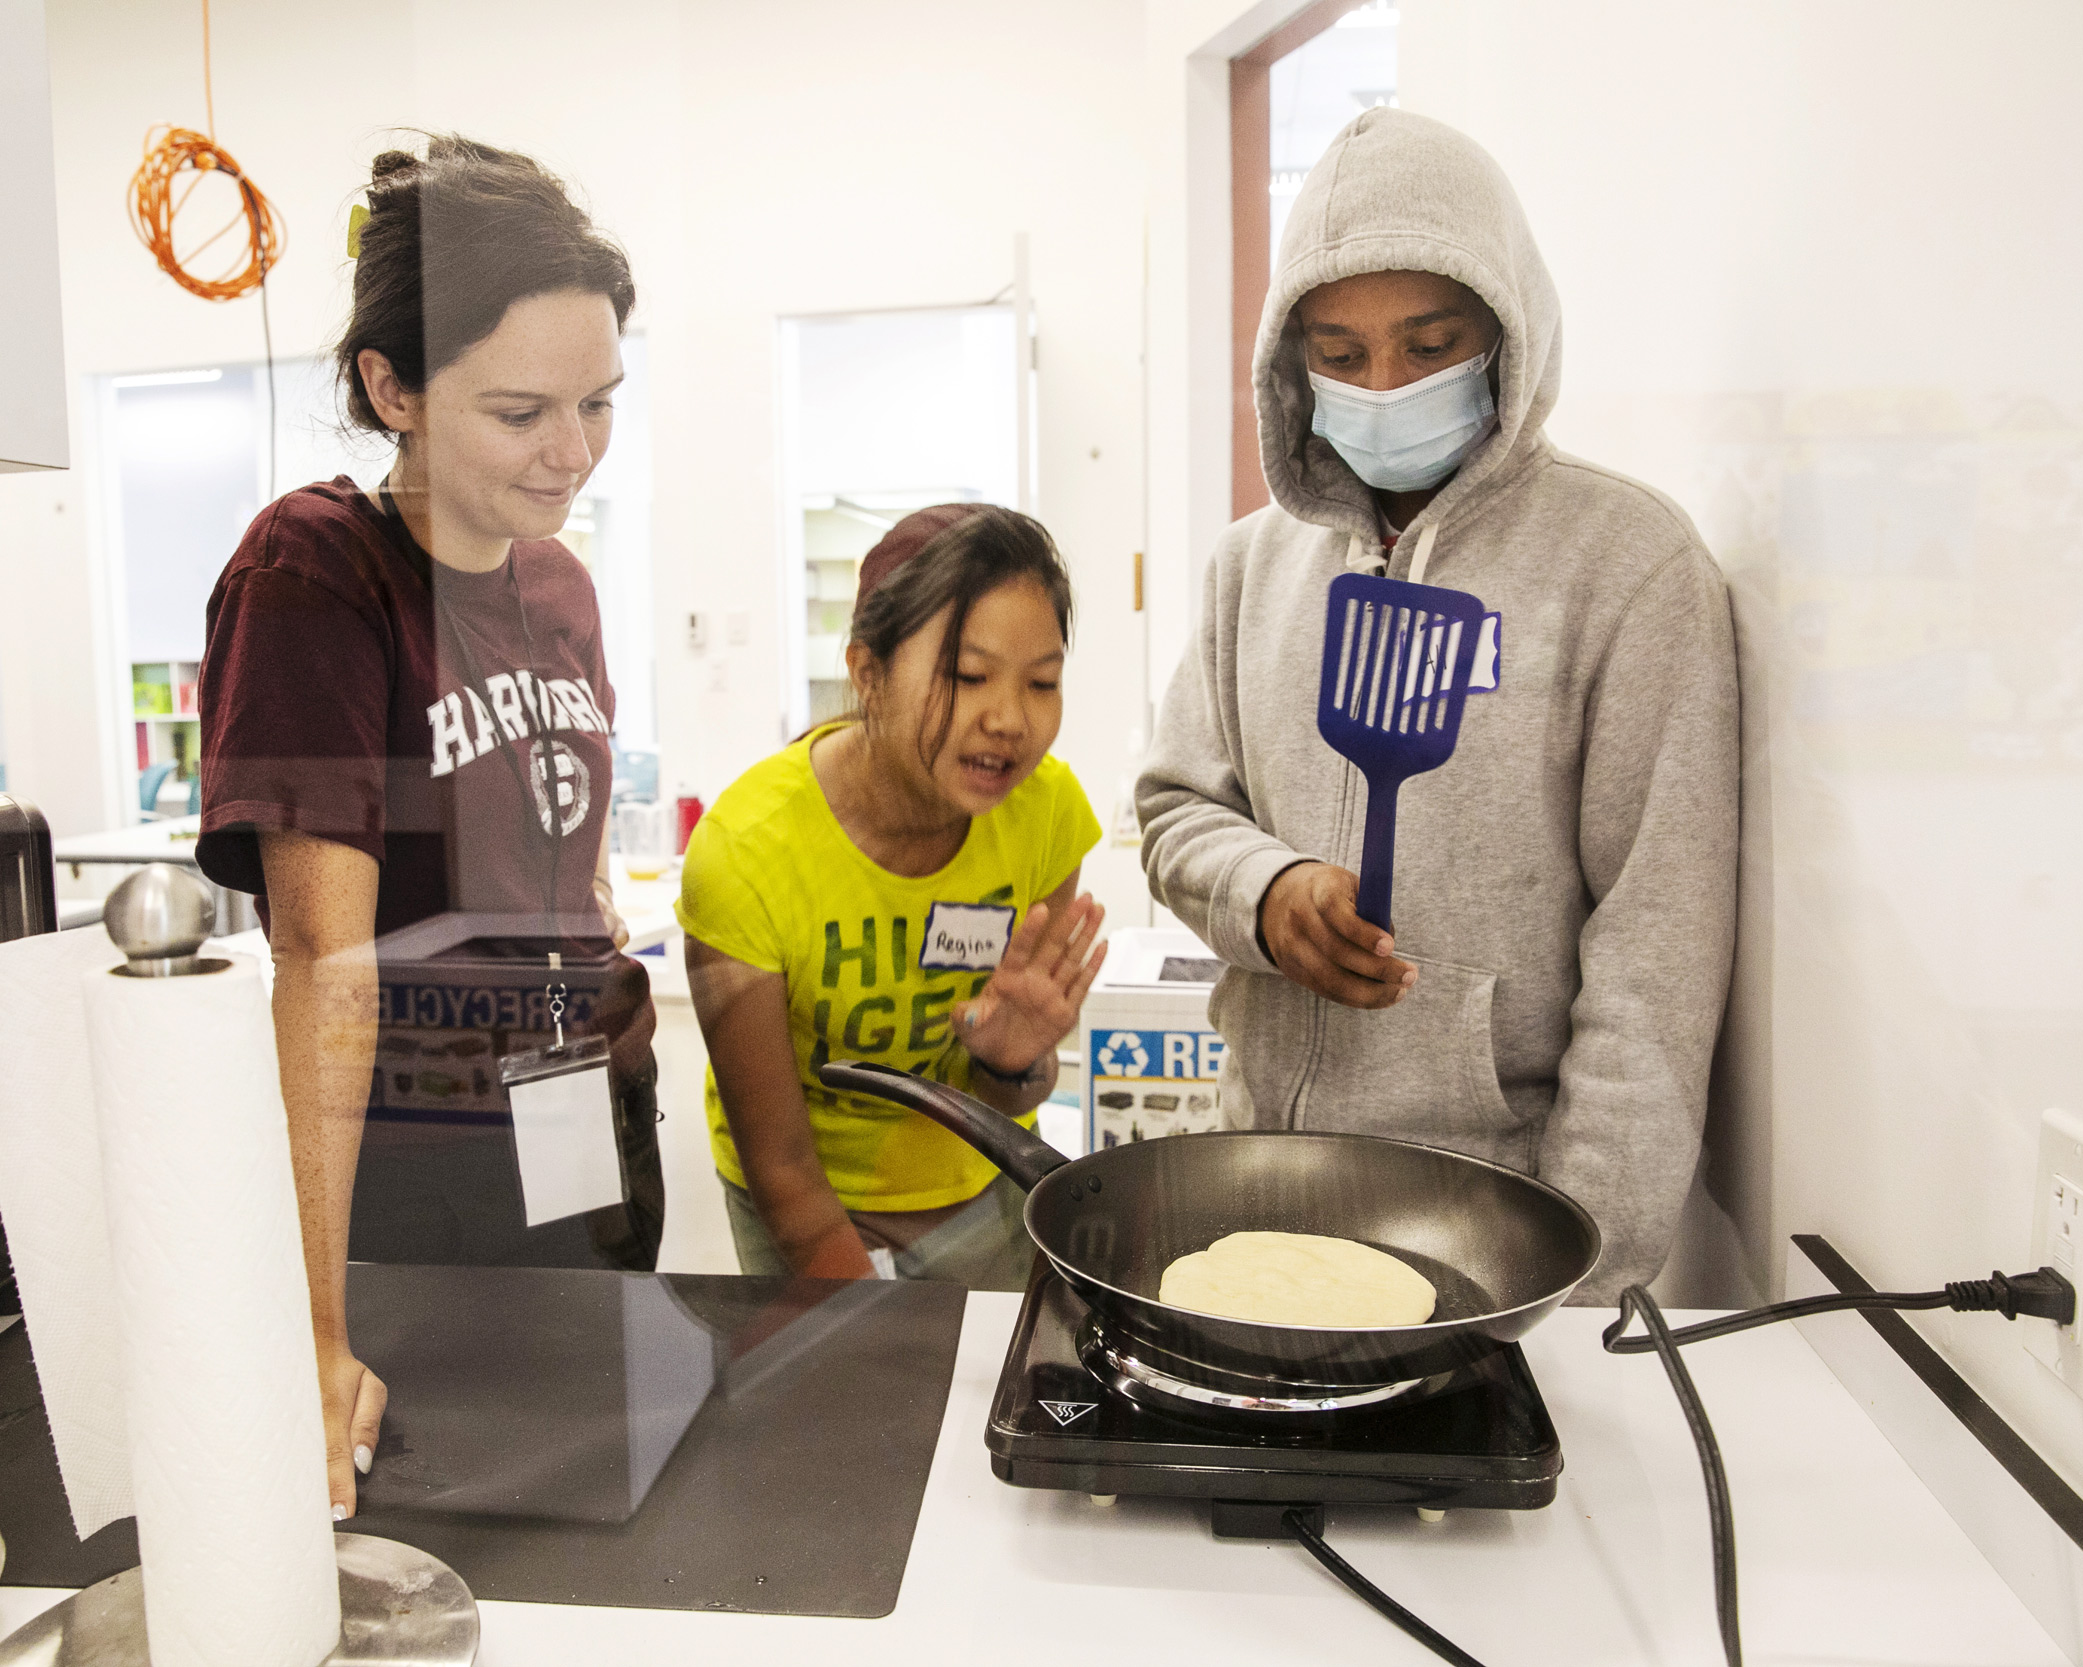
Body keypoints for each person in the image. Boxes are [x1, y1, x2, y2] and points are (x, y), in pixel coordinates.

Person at [1138, 109, 1739, 1300]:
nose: (1383, 387)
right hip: (1260, 1190)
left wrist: (1577, 1276)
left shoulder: (1628, 566)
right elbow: (1173, 812)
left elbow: (1652, 963)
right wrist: (1267, 892)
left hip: (1493, 1221)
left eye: (1428, 344)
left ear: (1505, 332)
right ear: (1290, 363)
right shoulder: (1251, 567)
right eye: (1341, 354)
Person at [194, 135, 656, 1518]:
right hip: (409, 1177)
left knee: (611, 1518)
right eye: (522, 411)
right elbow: (320, 961)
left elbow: (545, 838)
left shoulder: (560, 583)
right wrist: (313, 1324)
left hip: (580, 1133)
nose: (571, 453)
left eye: (599, 402)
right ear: (390, 387)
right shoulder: (317, 572)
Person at [679, 505, 1106, 1288]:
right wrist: (870, 1324)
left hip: (978, 1183)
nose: (1010, 718)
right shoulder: (745, 852)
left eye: (1042, 681)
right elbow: (780, 1165)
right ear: (868, 672)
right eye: (968, 676)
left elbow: (1009, 1098)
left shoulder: (1044, 814)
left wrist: (1012, 1063)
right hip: (804, 1199)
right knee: (855, 1398)